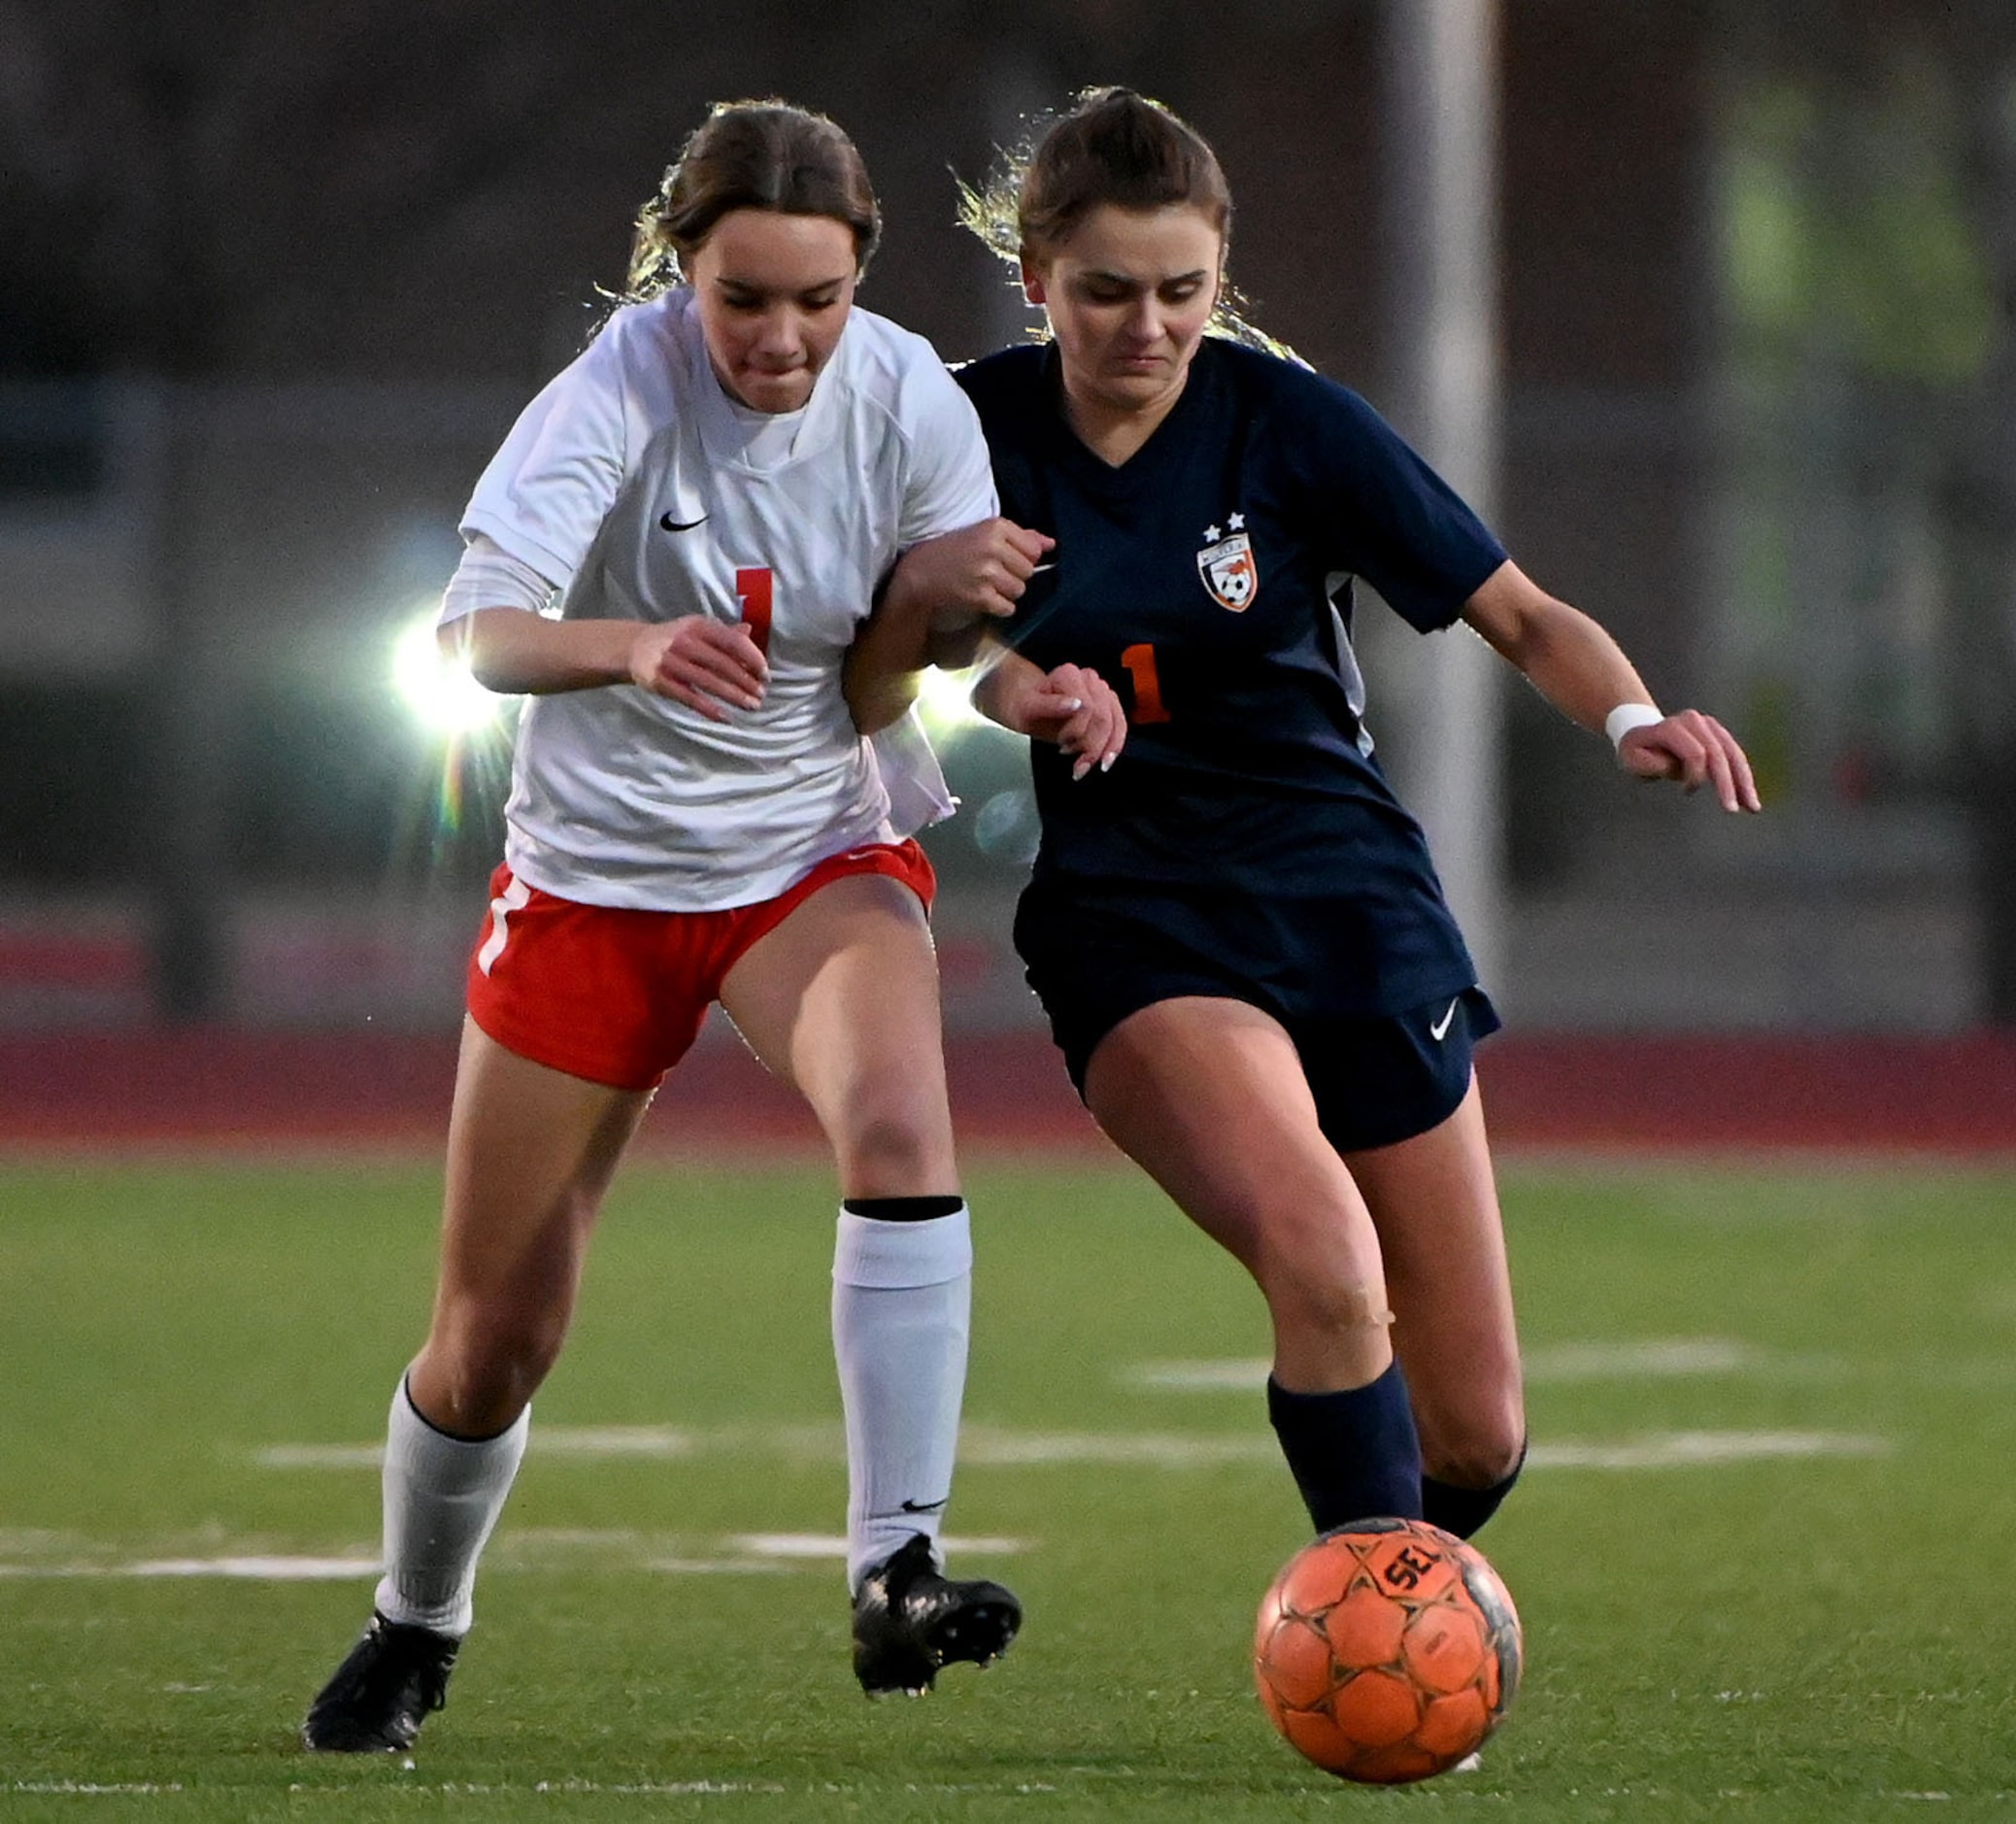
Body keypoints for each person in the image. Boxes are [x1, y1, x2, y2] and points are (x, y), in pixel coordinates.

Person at [300, 99, 1115, 1754]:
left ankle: (898, 1565)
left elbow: (929, 662)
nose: (783, 335)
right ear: (686, 273)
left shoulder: (904, 399)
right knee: (493, 1339)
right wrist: (629, 648)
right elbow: (476, 636)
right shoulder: (613, 388)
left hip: (814, 854)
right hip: (596, 884)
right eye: (746, 298)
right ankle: (417, 1616)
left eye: (816, 299)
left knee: (900, 1122)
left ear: (861, 279)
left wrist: (1031, 681)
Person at [857, 87, 1761, 1554]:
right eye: (1103, 291)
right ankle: (1368, 1645)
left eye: (1182, 290)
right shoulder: (959, 430)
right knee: (1329, 1265)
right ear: (1035, 279)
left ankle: (1381, 1623)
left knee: (1476, 1428)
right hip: (1142, 919)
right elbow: (906, 651)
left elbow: (1520, 612)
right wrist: (1013, 685)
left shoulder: (1284, 420)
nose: (1146, 327)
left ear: (1220, 277)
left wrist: (1630, 717)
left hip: (1350, 902)